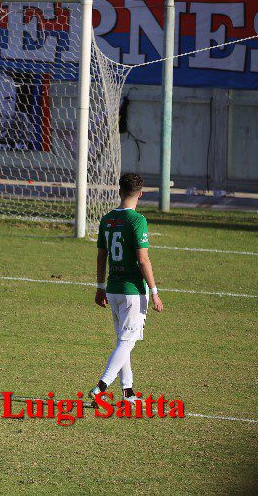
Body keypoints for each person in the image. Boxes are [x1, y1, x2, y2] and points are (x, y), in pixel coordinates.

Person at [89, 173, 165, 405]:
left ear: (119, 191)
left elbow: (101, 257)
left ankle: (128, 391)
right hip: (133, 291)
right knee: (126, 342)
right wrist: (154, 291)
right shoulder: (137, 220)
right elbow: (143, 260)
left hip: (113, 289)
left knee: (124, 341)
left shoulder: (107, 219)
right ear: (140, 194)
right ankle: (101, 387)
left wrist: (100, 287)